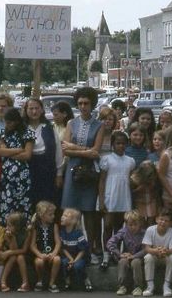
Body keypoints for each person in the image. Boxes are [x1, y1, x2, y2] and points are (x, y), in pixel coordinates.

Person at [61, 87, 103, 265]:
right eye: (80, 103)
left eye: (86, 103)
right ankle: (68, 249)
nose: (83, 106)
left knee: (89, 213)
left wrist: (76, 149)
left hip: (89, 173)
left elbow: (97, 153)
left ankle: (92, 248)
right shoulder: (71, 123)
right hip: (72, 171)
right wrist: (86, 149)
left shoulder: (99, 125)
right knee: (70, 211)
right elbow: (65, 148)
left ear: (92, 104)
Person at [99, 131, 136, 270]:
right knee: (107, 225)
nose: (120, 146)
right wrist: (101, 200)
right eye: (117, 143)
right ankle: (106, 254)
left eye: (123, 143)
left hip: (124, 197)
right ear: (112, 144)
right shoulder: (107, 159)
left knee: (120, 228)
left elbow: (131, 180)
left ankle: (116, 253)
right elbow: (102, 180)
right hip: (110, 196)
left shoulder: (130, 161)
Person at [0, 108, 35, 222]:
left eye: (10, 122)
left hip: (22, 177)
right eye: (6, 122)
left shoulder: (27, 133)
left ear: (17, 121)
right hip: (7, 178)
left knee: (23, 208)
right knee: (7, 207)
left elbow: (27, 155)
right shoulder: (3, 133)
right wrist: (18, 150)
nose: (7, 125)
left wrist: (7, 152)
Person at [24, 98, 64, 207]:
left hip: (47, 172)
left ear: (42, 110)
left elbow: (58, 152)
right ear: (26, 110)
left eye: (37, 108)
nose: (34, 112)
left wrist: (59, 174)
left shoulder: (49, 128)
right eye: (31, 108)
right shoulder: (22, 128)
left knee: (48, 204)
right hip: (28, 171)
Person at [106, 210, 146, 297]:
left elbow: (146, 249)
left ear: (140, 224)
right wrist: (119, 253)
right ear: (126, 224)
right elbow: (110, 243)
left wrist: (134, 256)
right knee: (122, 262)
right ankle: (122, 286)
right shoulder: (123, 231)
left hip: (138, 256)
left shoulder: (144, 233)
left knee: (136, 263)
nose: (133, 227)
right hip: (126, 255)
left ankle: (138, 287)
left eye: (135, 225)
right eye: (130, 225)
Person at [142, 207, 172, 297]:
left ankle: (166, 286)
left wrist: (165, 251)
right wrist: (155, 251)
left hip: (165, 256)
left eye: (166, 220)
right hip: (154, 256)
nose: (163, 222)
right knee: (148, 257)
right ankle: (150, 286)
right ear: (157, 219)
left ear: (170, 223)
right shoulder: (150, 230)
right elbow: (146, 248)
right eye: (161, 219)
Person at [30, 201, 61, 293]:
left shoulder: (54, 226)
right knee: (39, 262)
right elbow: (32, 245)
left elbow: (58, 242)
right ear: (42, 215)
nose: (53, 216)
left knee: (57, 259)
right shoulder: (36, 227)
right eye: (50, 215)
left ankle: (52, 283)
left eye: (53, 214)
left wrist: (54, 253)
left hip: (51, 253)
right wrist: (40, 255)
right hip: (40, 253)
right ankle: (40, 280)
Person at [59, 208, 91, 292]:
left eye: (65, 216)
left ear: (74, 221)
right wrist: (71, 259)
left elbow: (82, 250)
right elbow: (63, 248)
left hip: (80, 257)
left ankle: (85, 278)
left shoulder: (78, 233)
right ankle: (67, 280)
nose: (62, 217)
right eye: (62, 215)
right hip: (69, 256)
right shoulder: (62, 232)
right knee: (63, 262)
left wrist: (74, 261)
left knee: (77, 266)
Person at [0, 211, 31, 292]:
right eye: (7, 225)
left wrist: (8, 252)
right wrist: (11, 238)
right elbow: (13, 248)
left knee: (19, 257)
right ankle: (3, 281)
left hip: (23, 254)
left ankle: (25, 282)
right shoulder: (7, 233)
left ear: (18, 226)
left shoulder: (27, 233)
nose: (7, 228)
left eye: (9, 226)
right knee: (13, 257)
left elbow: (24, 250)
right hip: (11, 253)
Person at [130, 161, 159, 225]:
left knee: (151, 221)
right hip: (140, 201)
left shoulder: (155, 176)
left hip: (151, 200)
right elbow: (131, 193)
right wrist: (139, 188)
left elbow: (157, 190)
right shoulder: (134, 178)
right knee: (141, 222)